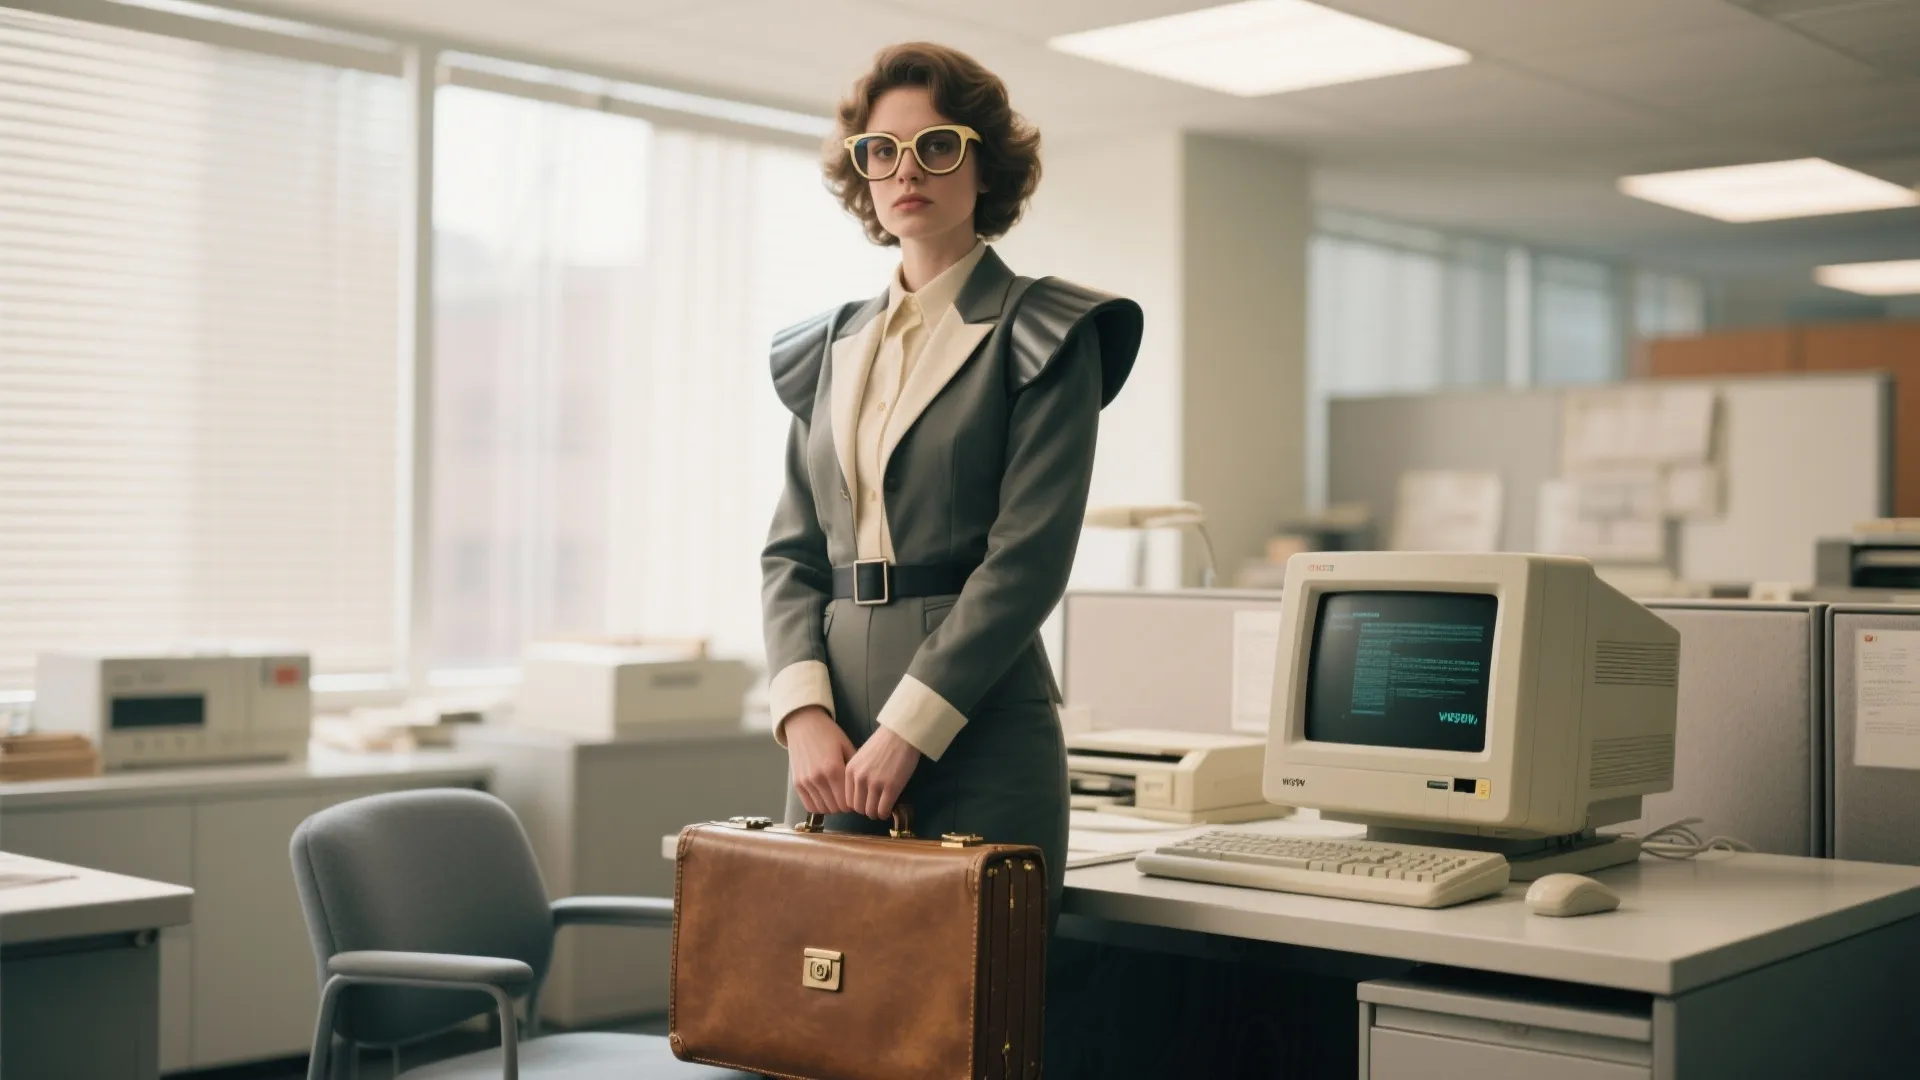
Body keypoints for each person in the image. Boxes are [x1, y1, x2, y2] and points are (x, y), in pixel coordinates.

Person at [760, 41, 1142, 910]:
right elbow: (790, 555)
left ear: (985, 166)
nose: (906, 170)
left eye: (938, 145)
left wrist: (910, 728)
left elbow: (1026, 561)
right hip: (831, 735)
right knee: (825, 992)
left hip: (978, 719)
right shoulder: (827, 347)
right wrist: (801, 716)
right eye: (881, 151)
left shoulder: (1045, 331)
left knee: (970, 1016)